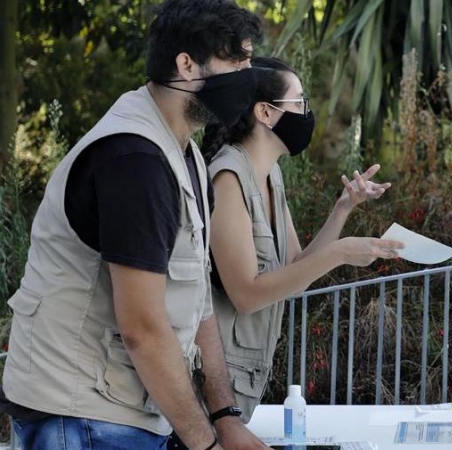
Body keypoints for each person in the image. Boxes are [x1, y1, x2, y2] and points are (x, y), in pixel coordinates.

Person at [1, 1, 271, 449]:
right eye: (236, 60)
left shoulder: (183, 156)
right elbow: (142, 328)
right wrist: (204, 444)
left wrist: (225, 417)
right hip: (81, 417)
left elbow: (197, 300)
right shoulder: (135, 160)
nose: (248, 74)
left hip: (118, 413)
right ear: (186, 64)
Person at [199, 57, 404, 423]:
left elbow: (295, 270)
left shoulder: (270, 175)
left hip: (244, 382)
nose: (307, 113)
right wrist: (341, 252)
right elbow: (246, 294)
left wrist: (342, 209)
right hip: (213, 390)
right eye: (300, 102)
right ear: (265, 112)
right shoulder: (227, 179)